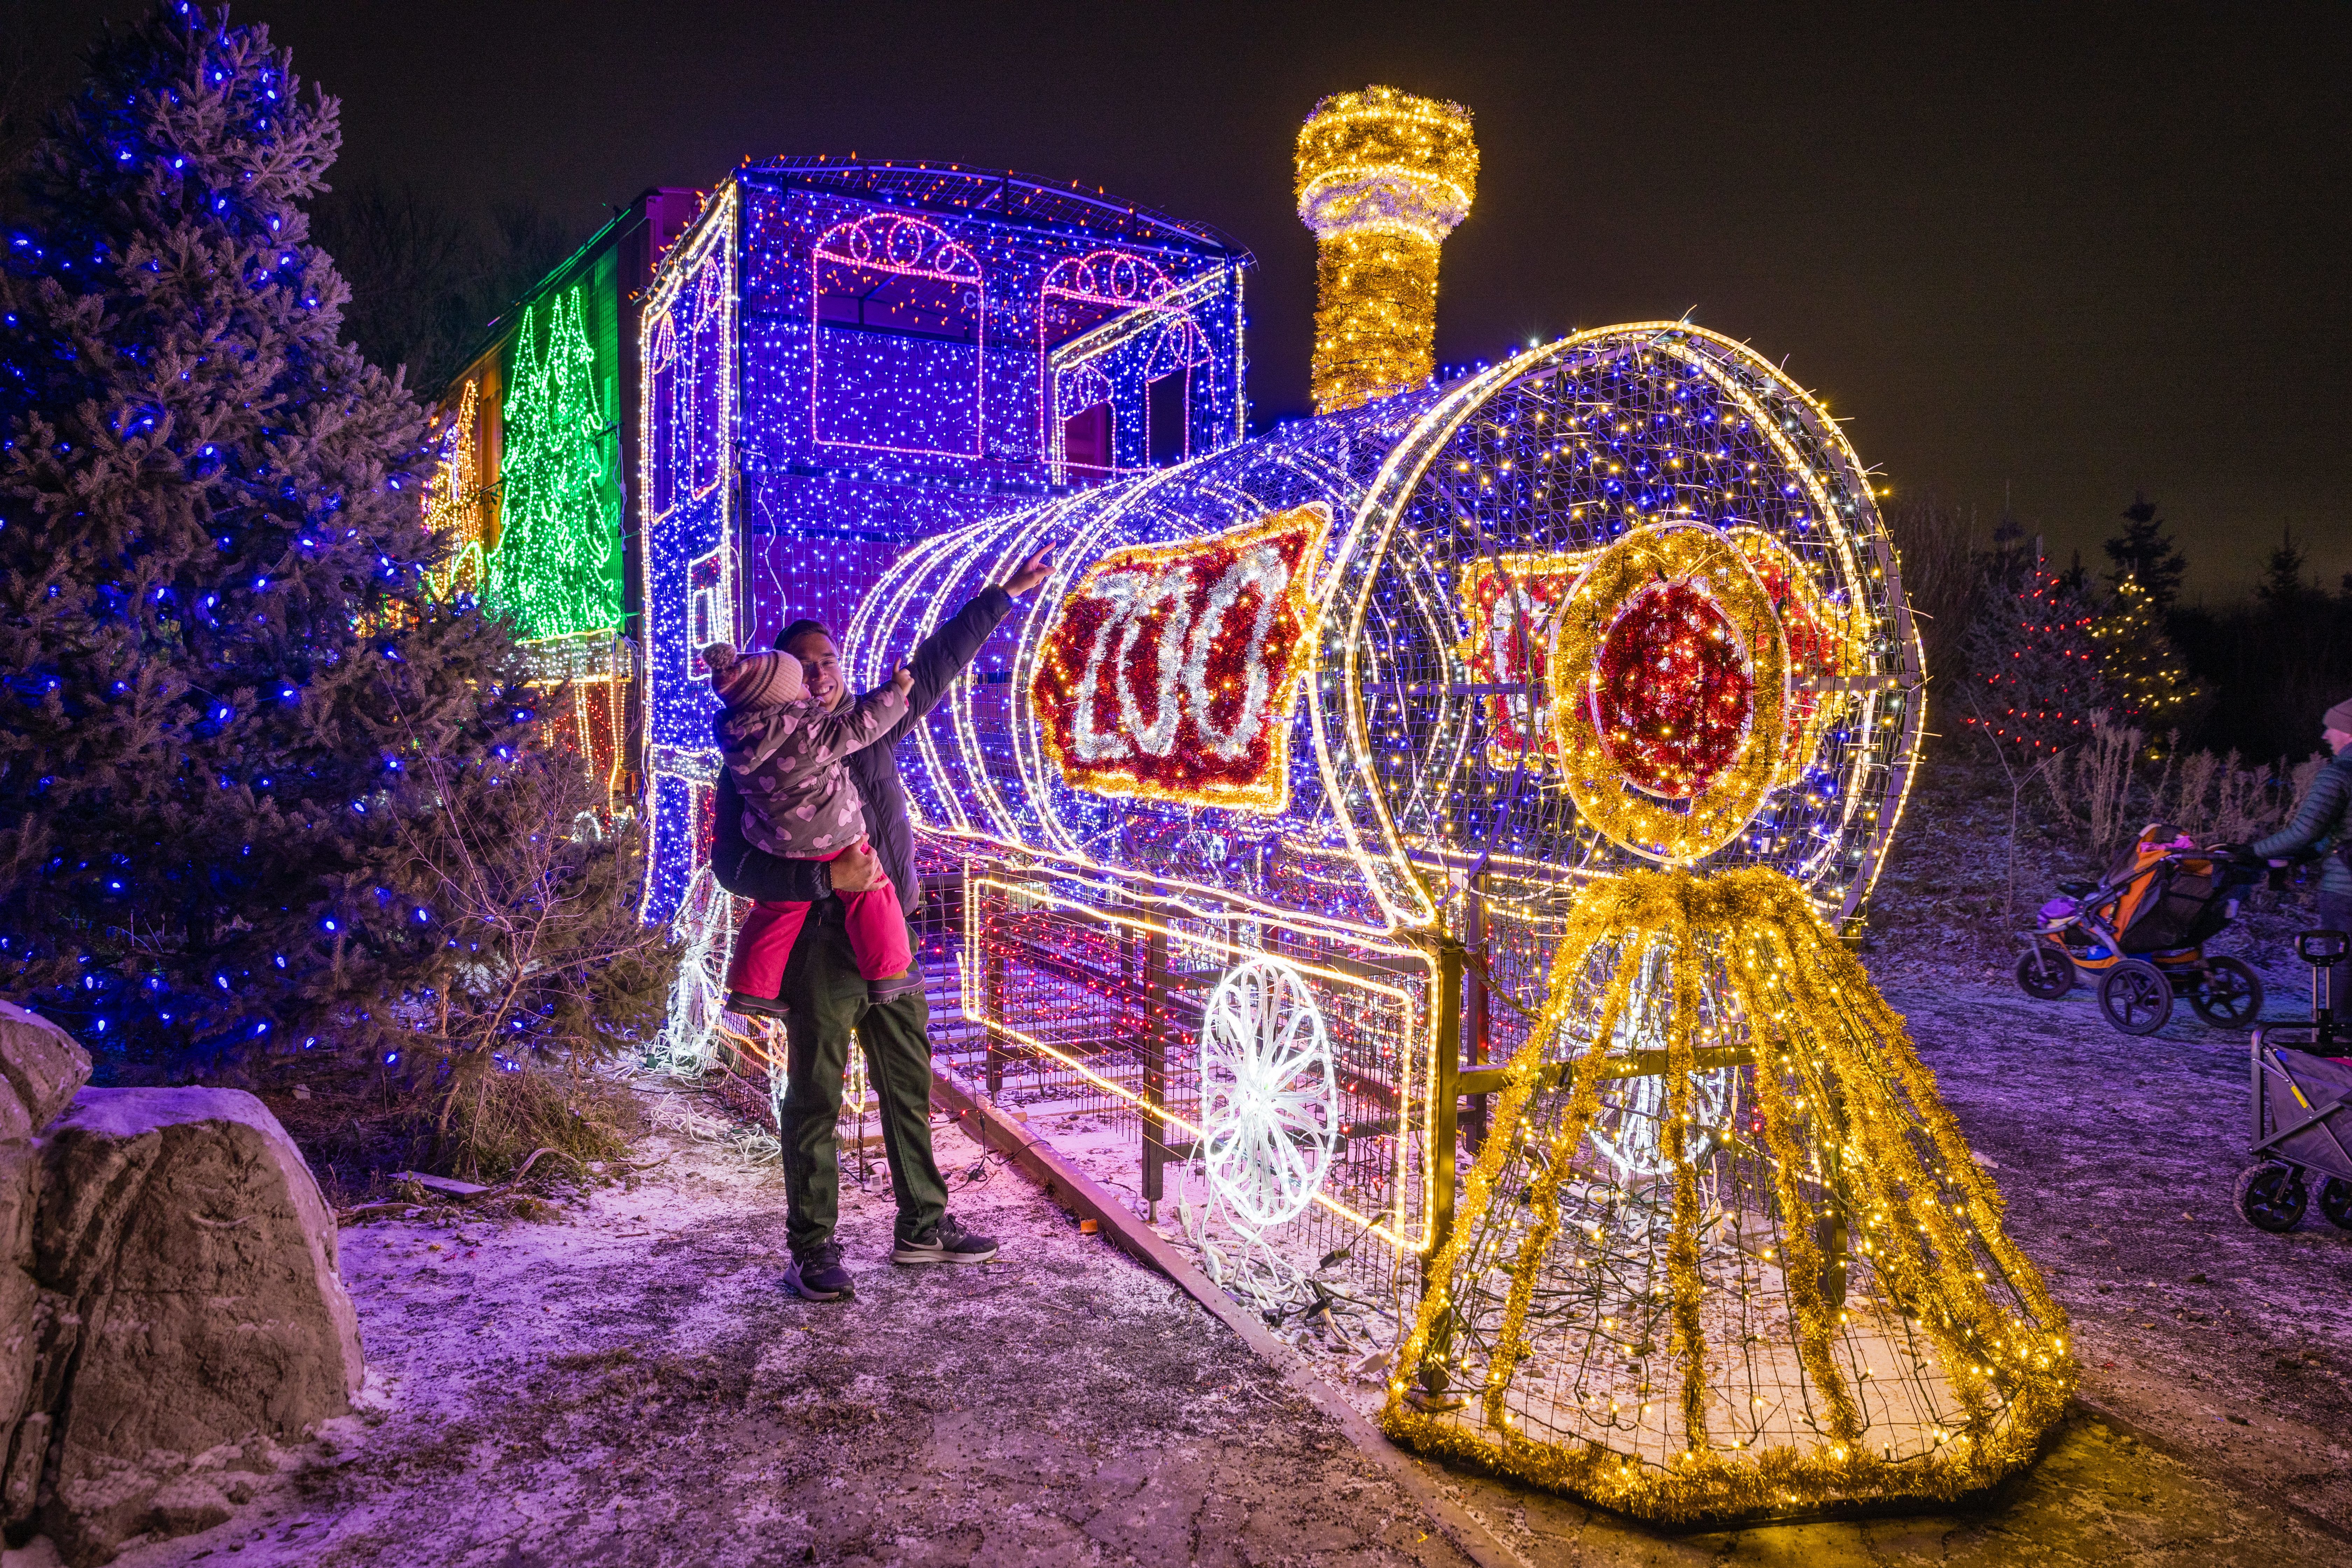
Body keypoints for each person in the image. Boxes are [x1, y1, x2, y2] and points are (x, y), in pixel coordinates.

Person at [711, 547, 1054, 1302]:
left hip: (889, 939)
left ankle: (923, 1225)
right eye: (809, 662)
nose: (826, 671)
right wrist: (819, 877)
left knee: (907, 1082)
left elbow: (935, 666)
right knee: (815, 1098)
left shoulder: (868, 729)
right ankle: (814, 1244)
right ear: (788, 680)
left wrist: (999, 597)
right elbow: (731, 867)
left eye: (831, 659)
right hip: (817, 948)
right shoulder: (754, 763)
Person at [703, 642, 915, 1015]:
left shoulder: (737, 741)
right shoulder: (807, 733)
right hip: (831, 834)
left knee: (777, 911)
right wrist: (896, 692)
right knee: (871, 888)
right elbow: (860, 726)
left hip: (776, 843)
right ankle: (890, 971)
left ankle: (751, 989)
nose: (809, 688)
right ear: (780, 696)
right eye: (799, 682)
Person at [2248, 698, 2352, 1009]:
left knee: (2346, 963)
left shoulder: (2339, 775)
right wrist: (2313, 853)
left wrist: (2252, 852)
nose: (2325, 737)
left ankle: (2342, 1043)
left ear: (2348, 732)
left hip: (2346, 889)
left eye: (2330, 728)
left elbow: (2304, 832)